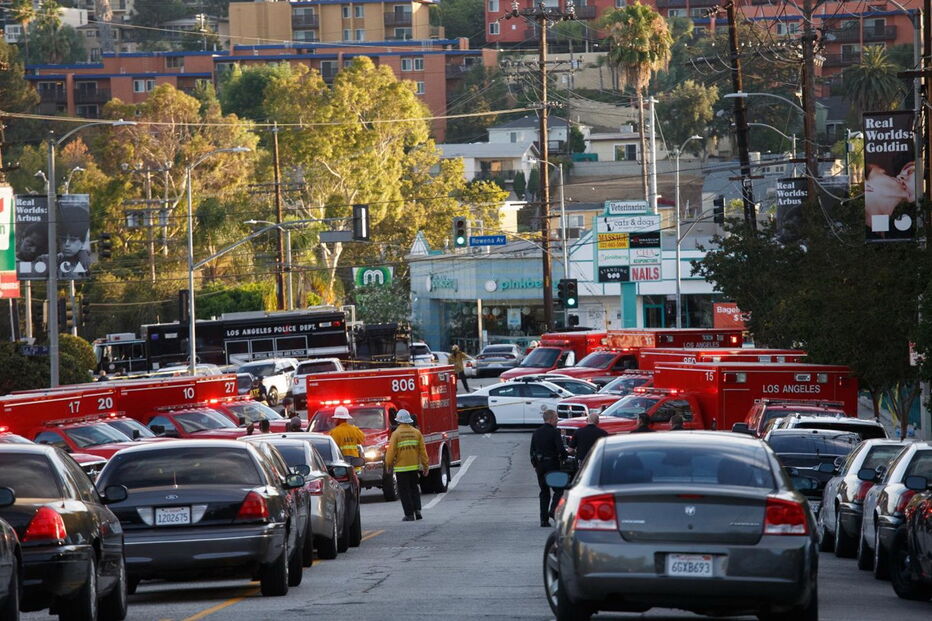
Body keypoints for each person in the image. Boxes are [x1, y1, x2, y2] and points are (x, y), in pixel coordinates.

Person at [384, 409, 429, 521]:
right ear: (408, 420)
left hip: (401, 468)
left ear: (398, 421)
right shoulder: (416, 433)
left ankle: (409, 514)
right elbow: (423, 451)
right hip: (414, 467)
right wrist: (425, 466)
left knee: (404, 491)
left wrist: (388, 464)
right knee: (414, 489)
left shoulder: (396, 434)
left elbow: (391, 452)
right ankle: (417, 511)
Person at [530, 408, 567, 527]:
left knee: (544, 492)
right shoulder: (555, 432)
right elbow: (561, 449)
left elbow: (532, 451)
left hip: (540, 466)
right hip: (552, 465)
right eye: (556, 418)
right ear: (551, 419)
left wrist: (535, 465)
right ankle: (553, 511)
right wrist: (565, 457)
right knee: (559, 489)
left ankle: (543, 520)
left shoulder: (536, 432)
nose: (557, 420)